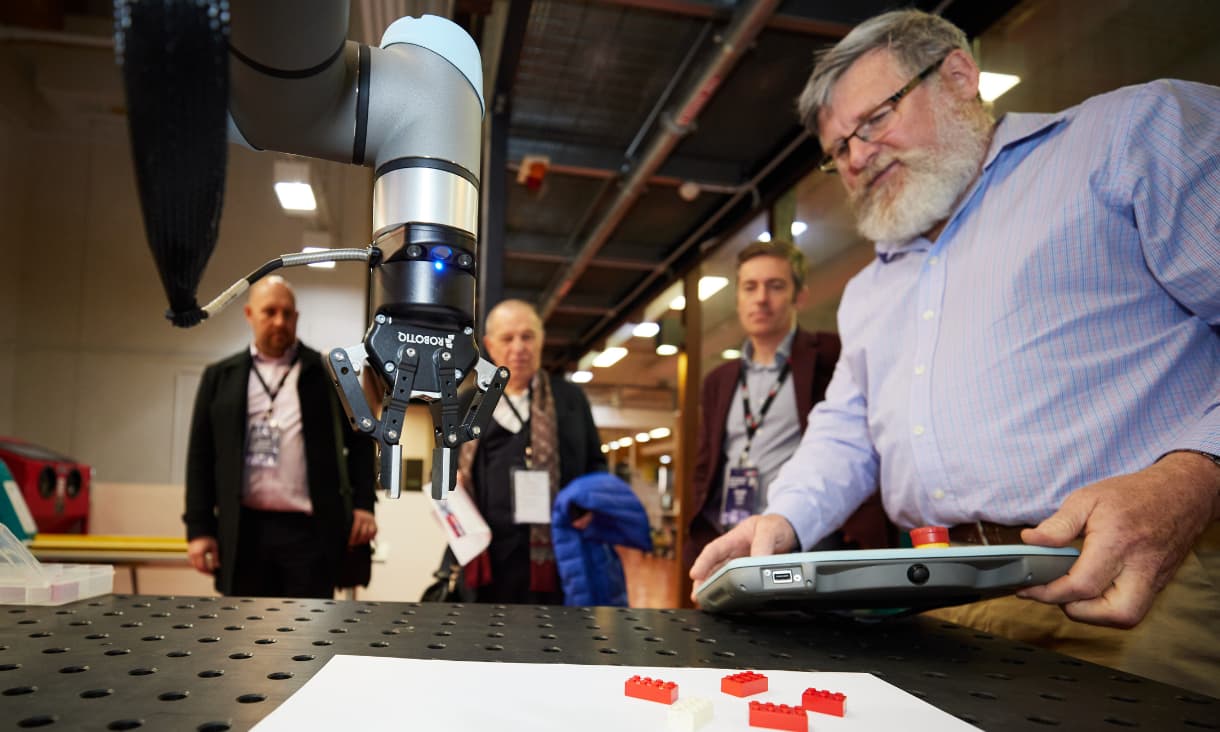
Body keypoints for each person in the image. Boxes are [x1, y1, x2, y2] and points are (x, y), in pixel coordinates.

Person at [690, 9, 1219, 696]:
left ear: (958, 76)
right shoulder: (870, 289)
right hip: (946, 601)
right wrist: (782, 519)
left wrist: (1195, 474)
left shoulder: (1131, 137)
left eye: (873, 120)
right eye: (838, 148)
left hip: (1145, 581)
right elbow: (847, 433)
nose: (855, 157)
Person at [687, 239, 890, 570]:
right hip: (734, 541)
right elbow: (706, 465)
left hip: (811, 543)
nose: (761, 299)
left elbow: (854, 440)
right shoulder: (719, 380)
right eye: (749, 287)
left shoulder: (831, 355)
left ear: (800, 295)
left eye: (775, 286)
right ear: (737, 298)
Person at [184, 276, 377, 598]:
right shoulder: (220, 378)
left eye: (288, 313)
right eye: (269, 312)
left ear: (297, 318)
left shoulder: (329, 374)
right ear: (249, 315)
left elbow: (360, 443)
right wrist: (199, 528)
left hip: (310, 533)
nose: (280, 321)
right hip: (243, 530)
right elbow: (200, 458)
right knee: (242, 634)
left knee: (310, 634)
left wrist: (364, 505)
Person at [456, 299, 607, 604]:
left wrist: (591, 503)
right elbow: (444, 472)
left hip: (554, 555)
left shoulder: (570, 400)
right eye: (508, 338)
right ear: (489, 344)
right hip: (486, 555)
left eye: (527, 336)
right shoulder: (468, 403)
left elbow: (596, 463)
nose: (519, 347)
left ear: (541, 340)